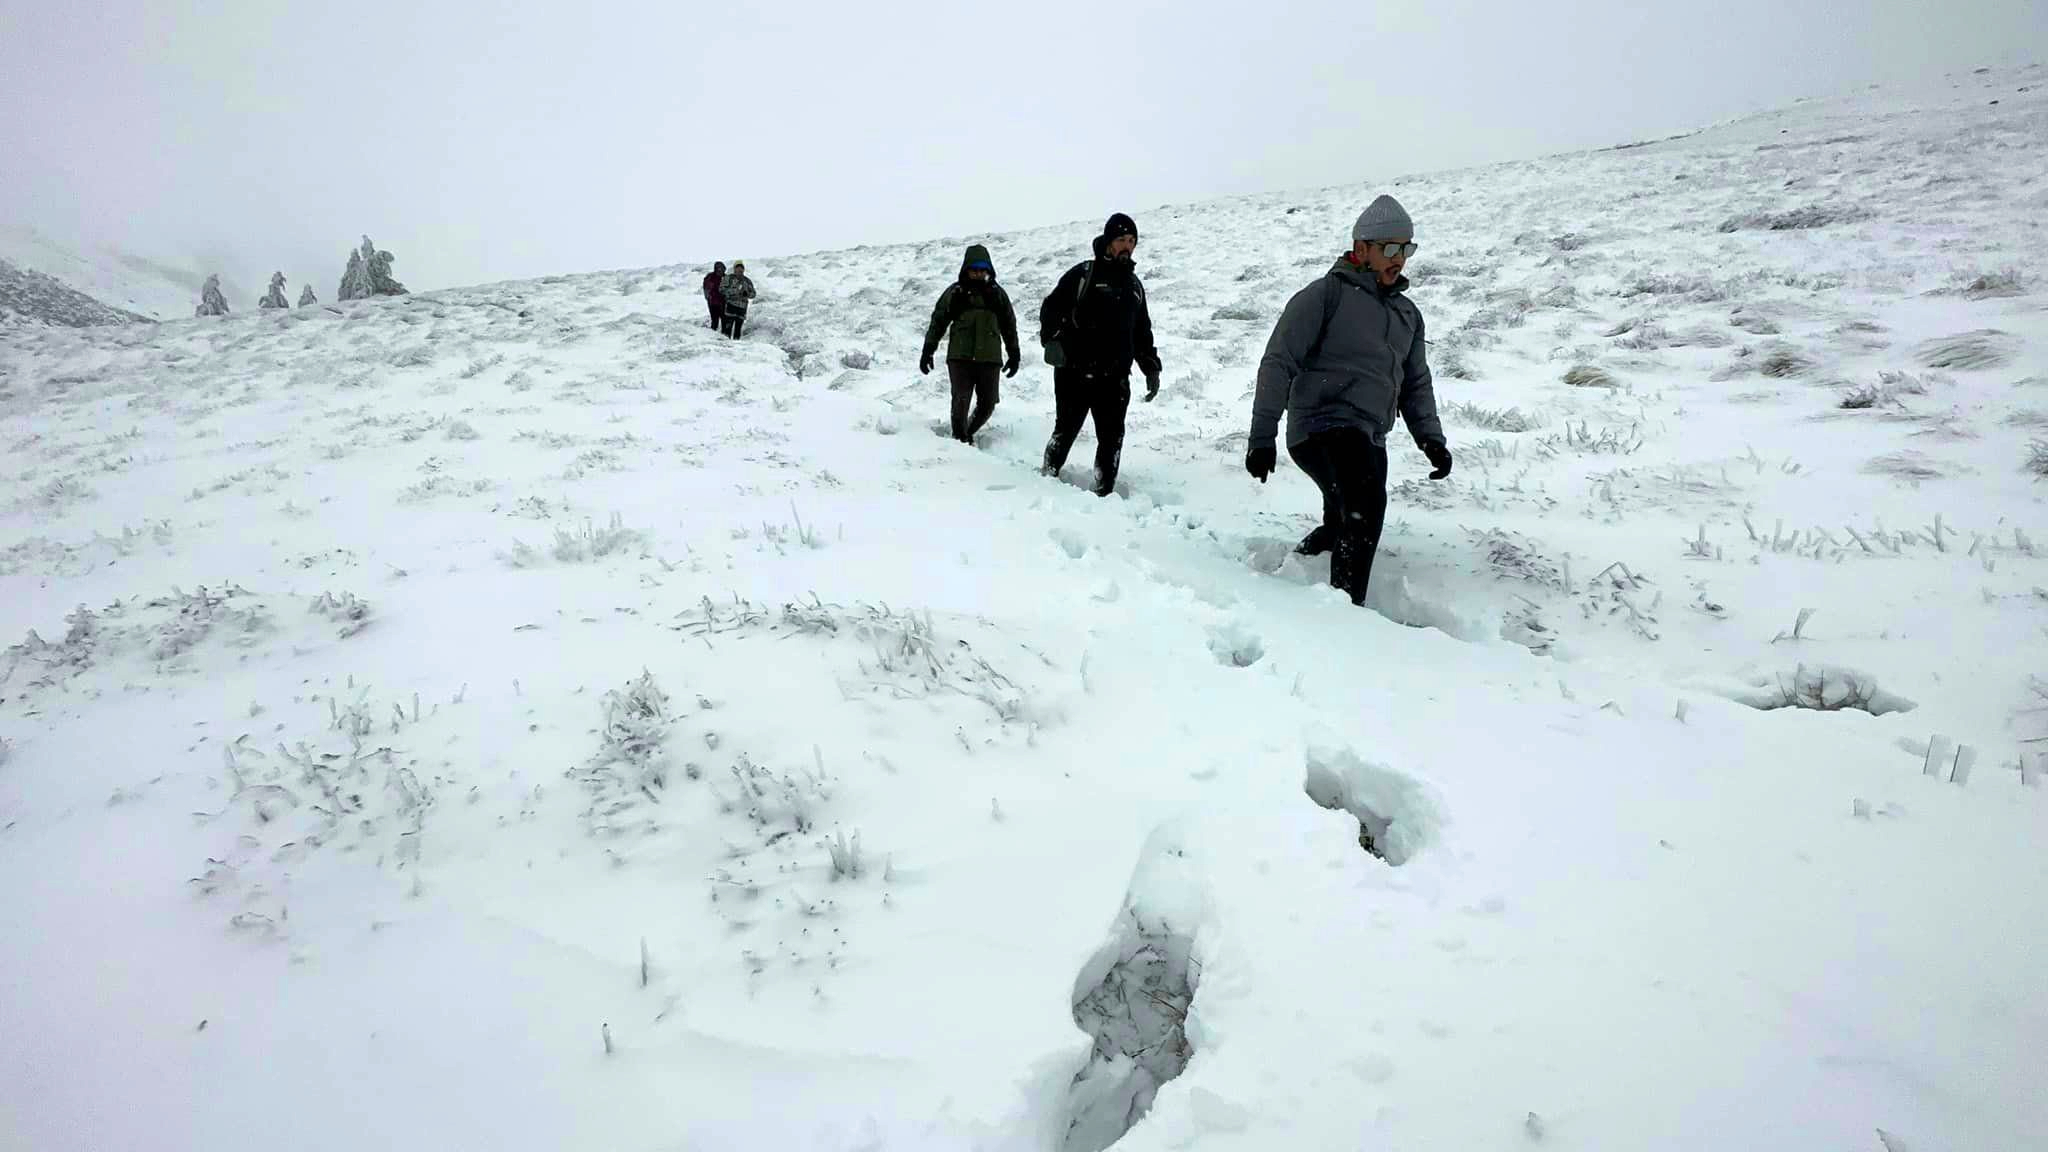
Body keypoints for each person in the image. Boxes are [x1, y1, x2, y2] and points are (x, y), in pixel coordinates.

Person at [1244, 194, 1452, 606]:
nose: (1399, 258)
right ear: (1361, 249)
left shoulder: (1407, 314)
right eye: (1389, 248)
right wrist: (1262, 437)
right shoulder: (1325, 296)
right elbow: (1278, 362)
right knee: (1364, 503)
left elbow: (1415, 382)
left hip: (1370, 434)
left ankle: (1298, 569)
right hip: (1321, 427)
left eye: (1406, 249)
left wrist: (1431, 438)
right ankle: (1346, 616)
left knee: (1345, 519)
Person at [1037, 213, 1162, 497]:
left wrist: (1151, 367)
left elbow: (1142, 332)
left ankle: (1104, 494)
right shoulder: (1083, 274)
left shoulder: (1134, 287)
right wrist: (1053, 340)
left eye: (1131, 241)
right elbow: (1051, 308)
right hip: (1075, 374)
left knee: (1112, 439)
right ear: (1108, 242)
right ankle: (1046, 480)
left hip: (1115, 378)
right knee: (1066, 430)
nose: (1127, 246)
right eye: (1121, 240)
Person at [920, 244, 1021, 445]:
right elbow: (938, 320)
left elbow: (1009, 324)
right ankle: (960, 440)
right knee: (960, 400)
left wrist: (1014, 353)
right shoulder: (955, 292)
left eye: (982, 270)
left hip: (990, 359)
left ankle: (969, 430)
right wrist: (928, 350)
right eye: (974, 270)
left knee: (988, 403)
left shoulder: (997, 294)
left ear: (989, 270)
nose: (978, 274)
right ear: (966, 269)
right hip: (960, 358)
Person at [719, 261, 756, 339]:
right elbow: (721, 290)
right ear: (734, 269)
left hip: (742, 309)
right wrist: (734, 292)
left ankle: (736, 348)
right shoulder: (728, 278)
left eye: (741, 269)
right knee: (728, 328)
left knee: (738, 329)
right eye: (738, 268)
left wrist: (747, 294)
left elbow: (753, 294)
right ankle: (726, 345)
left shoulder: (747, 281)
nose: (740, 271)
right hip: (730, 307)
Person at [702, 261, 726, 329]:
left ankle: (725, 337)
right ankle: (713, 336)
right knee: (715, 321)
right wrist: (708, 297)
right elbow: (706, 288)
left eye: (721, 269)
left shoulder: (726, 278)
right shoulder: (710, 277)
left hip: (723, 303)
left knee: (724, 320)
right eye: (718, 269)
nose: (720, 271)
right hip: (713, 303)